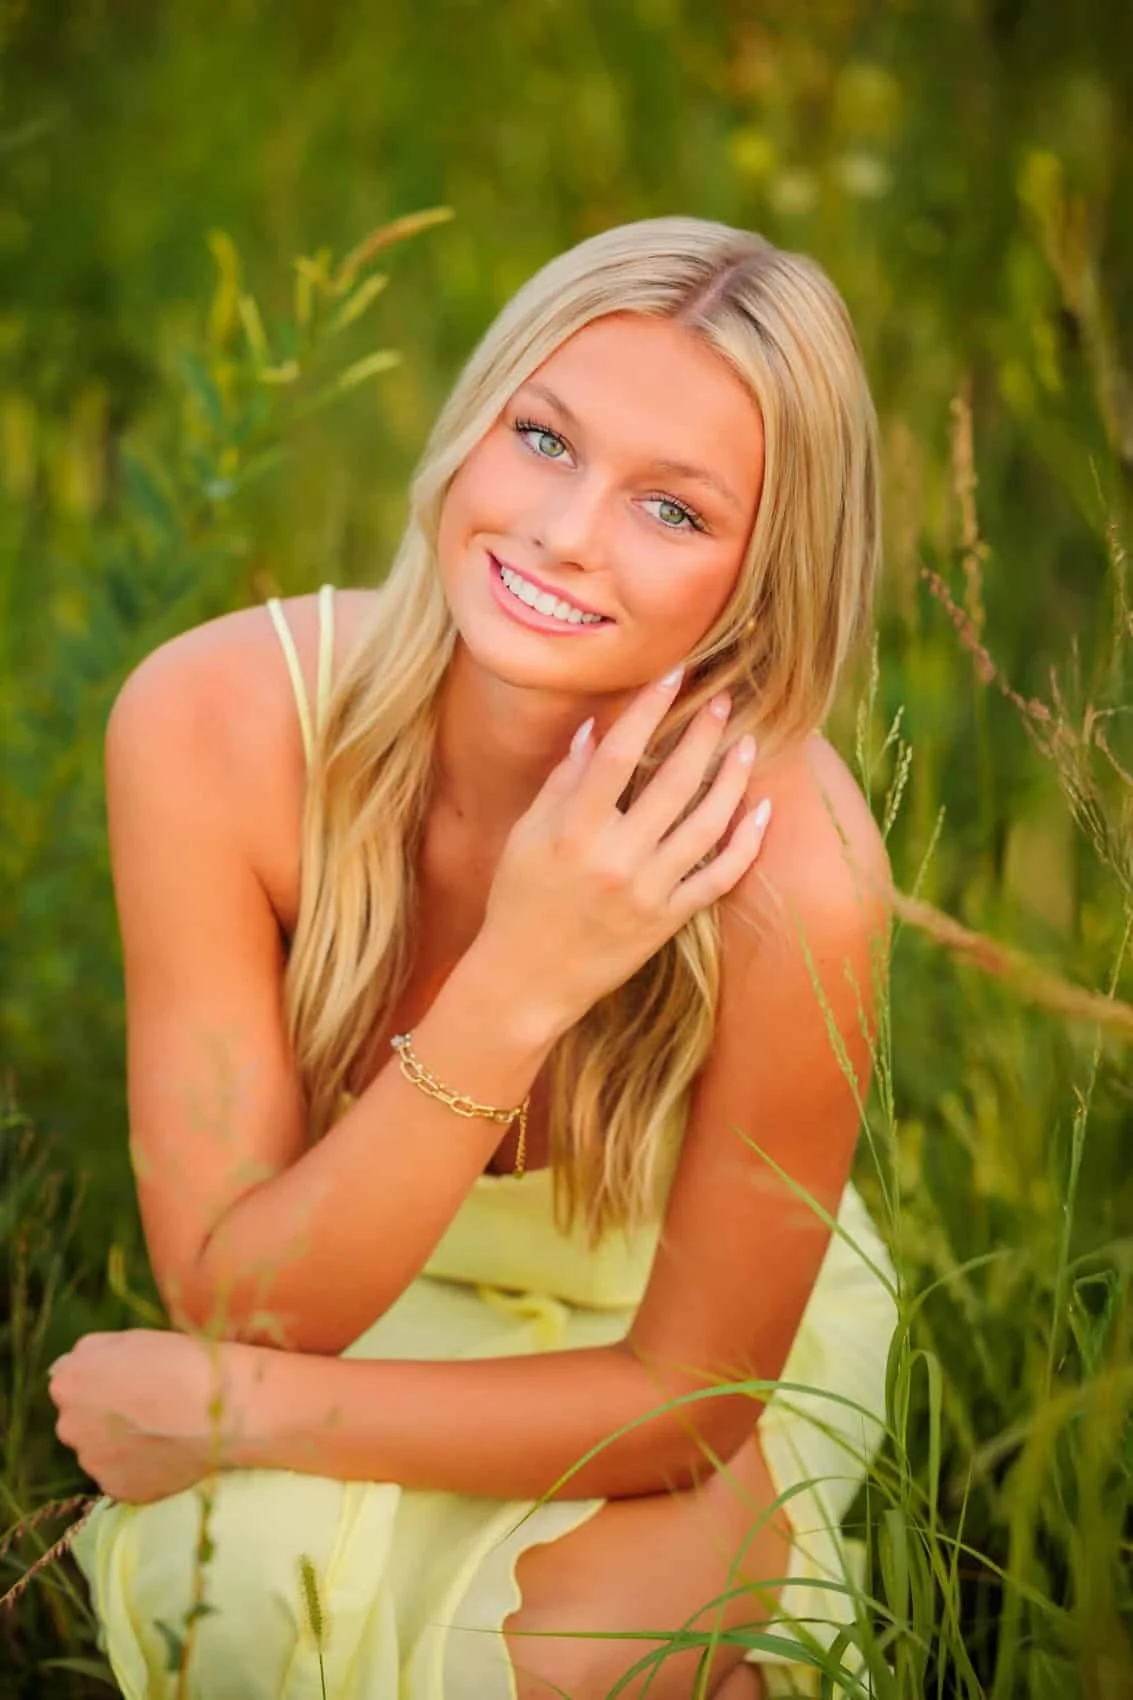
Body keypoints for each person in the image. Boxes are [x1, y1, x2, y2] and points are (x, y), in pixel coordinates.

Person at [48, 216, 898, 1699]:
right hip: (358, 1278)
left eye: (675, 512)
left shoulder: (797, 876)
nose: (566, 533)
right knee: (244, 1599)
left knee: (592, 1668)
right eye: (546, 438)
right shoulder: (210, 723)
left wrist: (234, 1410)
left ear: (764, 583)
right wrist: (519, 981)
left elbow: (685, 1401)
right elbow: (250, 1297)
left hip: (656, 1345)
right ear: (472, 426)